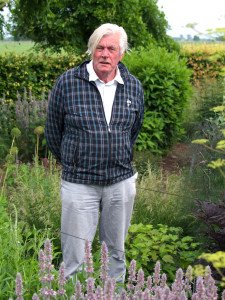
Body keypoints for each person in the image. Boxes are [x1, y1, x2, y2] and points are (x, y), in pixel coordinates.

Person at [45, 23, 144, 283]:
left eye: (111, 48)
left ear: (121, 54)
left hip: (120, 184)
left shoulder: (133, 86)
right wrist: (75, 161)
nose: (105, 54)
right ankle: (71, 294)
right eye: (99, 47)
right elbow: (53, 133)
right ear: (91, 50)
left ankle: (115, 293)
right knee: (75, 256)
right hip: (79, 184)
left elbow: (133, 131)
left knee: (116, 254)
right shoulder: (68, 82)